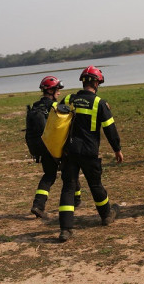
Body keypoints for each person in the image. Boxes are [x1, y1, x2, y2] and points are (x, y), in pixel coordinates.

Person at [56, 66, 123, 242]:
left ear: (83, 81)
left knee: (68, 188)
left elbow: (56, 120)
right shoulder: (99, 103)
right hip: (89, 151)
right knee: (95, 184)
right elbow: (110, 129)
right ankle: (107, 215)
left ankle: (65, 229)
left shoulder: (69, 99)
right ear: (96, 82)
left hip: (69, 150)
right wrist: (117, 149)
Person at [28, 75, 81, 218]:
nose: (59, 92)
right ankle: (76, 199)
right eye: (57, 89)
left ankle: (38, 205)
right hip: (53, 146)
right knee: (70, 172)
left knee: (49, 175)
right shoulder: (55, 107)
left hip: (41, 147)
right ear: (51, 91)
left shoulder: (35, 106)